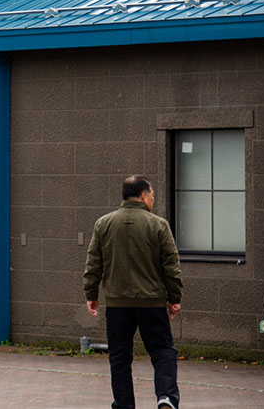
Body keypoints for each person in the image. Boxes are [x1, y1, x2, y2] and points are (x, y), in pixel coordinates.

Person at [83, 175, 183, 409]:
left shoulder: (103, 223)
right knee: (163, 352)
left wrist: (91, 294)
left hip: (118, 304)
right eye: (152, 195)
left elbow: (93, 263)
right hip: (152, 303)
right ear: (142, 196)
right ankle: (166, 396)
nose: (153, 199)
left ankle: (123, 404)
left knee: (119, 357)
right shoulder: (158, 225)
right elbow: (171, 265)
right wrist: (174, 298)